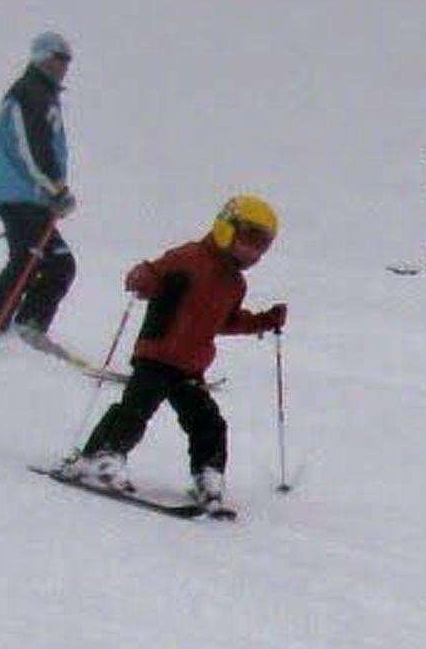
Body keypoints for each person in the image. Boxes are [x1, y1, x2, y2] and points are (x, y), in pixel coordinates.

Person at [61, 195, 288, 514]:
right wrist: (142, 277)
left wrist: (263, 321)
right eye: (248, 238)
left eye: (262, 245)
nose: (253, 251)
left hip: (190, 367)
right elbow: (154, 273)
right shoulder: (189, 257)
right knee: (136, 409)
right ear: (226, 228)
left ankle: (208, 475)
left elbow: (225, 321)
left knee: (208, 422)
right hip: (157, 355)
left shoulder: (235, 284)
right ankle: (100, 457)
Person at [0, 31, 77, 346]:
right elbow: (29, 147)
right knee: (30, 259)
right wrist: (55, 188)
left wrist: (53, 192)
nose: (63, 66)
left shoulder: (43, 95)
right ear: (42, 57)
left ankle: (27, 327)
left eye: (67, 61)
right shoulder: (30, 93)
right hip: (18, 194)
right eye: (58, 58)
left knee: (57, 263)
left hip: (32, 196)